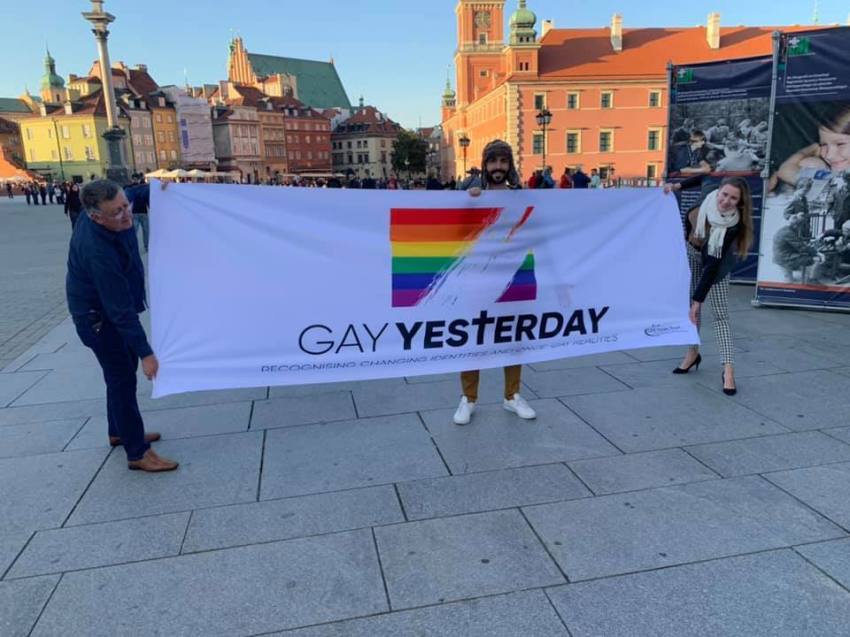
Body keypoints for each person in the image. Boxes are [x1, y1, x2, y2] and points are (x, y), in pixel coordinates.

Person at [66, 179, 177, 472]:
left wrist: (161, 188)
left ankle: (118, 431)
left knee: (119, 375)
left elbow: (137, 193)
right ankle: (137, 452)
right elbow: (120, 311)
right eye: (116, 212)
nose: (127, 214)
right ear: (95, 216)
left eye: (125, 205)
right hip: (99, 321)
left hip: (106, 313)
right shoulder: (97, 251)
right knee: (122, 379)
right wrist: (147, 354)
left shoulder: (116, 213)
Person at [454, 139, 537, 425]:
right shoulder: (471, 194)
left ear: (509, 165)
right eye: (493, 161)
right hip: (477, 279)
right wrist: (468, 201)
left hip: (514, 278)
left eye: (503, 161)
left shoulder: (521, 197)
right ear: (485, 164)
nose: (498, 167)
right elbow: (455, 231)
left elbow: (538, 232)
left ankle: (512, 396)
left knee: (513, 339)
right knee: (473, 339)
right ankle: (469, 398)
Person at [664, 177, 754, 395]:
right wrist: (677, 186)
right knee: (692, 312)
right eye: (725, 194)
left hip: (716, 264)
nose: (726, 201)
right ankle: (692, 353)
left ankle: (728, 370)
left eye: (733, 198)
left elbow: (712, 266)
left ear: (739, 202)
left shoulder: (731, 225)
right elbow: (704, 177)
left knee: (720, 314)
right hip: (691, 253)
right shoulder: (709, 193)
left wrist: (698, 300)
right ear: (719, 190)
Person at [772, 105, 850, 190]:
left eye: (840, 144)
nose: (829, 155)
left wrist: (813, 149)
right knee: (810, 163)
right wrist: (815, 147)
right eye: (824, 145)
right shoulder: (831, 180)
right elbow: (785, 171)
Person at [125, 174, 151, 252]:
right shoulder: (141, 188)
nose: (136, 180)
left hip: (138, 212)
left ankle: (143, 247)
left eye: (136, 179)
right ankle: (144, 247)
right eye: (135, 179)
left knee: (138, 231)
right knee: (142, 231)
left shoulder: (130, 188)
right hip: (139, 213)